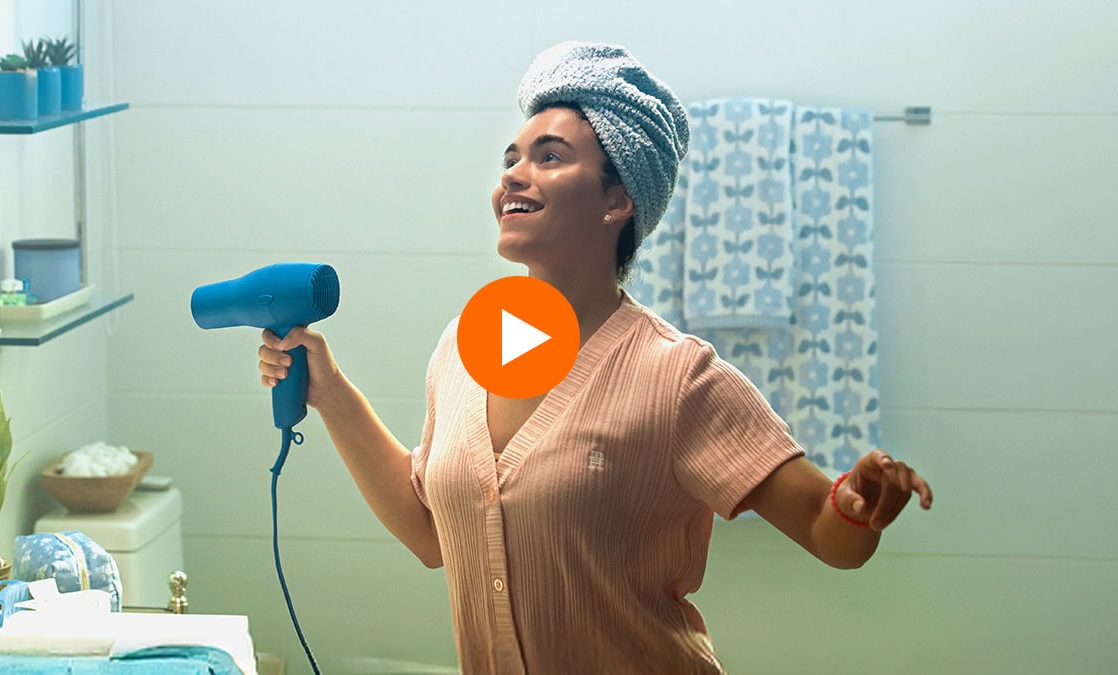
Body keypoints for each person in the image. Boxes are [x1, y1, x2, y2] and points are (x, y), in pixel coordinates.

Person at [258, 42, 933, 674]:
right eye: (511, 157)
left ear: (618, 198)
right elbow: (430, 532)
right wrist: (332, 391)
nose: (514, 175)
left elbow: (827, 529)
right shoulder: (464, 347)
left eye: (549, 156)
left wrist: (857, 502)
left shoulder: (677, 378)